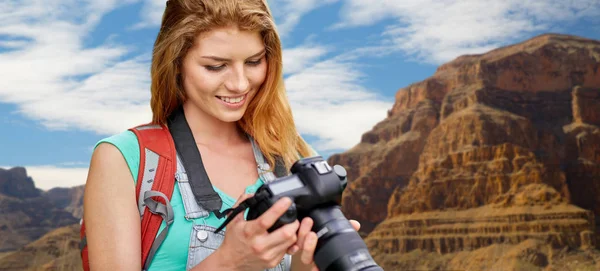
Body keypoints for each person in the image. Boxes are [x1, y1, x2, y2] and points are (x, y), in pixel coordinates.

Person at [82, 0, 360, 270]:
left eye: (253, 61)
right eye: (216, 66)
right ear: (176, 62)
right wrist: (230, 262)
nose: (239, 84)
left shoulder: (292, 156)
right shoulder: (124, 160)